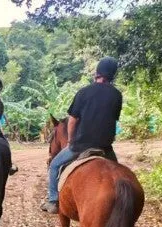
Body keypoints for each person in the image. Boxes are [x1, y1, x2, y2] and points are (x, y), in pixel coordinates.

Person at [41, 57, 123, 213]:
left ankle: (53, 201)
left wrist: (71, 140)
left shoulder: (84, 92)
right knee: (117, 174)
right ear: (112, 75)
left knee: (54, 165)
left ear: (97, 73)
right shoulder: (117, 95)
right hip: (106, 147)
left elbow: (72, 121)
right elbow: (113, 119)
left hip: (82, 145)